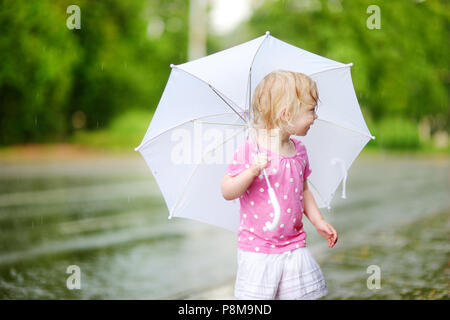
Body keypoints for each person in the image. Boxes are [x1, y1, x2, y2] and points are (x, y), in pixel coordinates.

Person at [221, 70, 338, 300]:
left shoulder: (299, 151)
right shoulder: (250, 150)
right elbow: (227, 190)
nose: (315, 117)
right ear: (286, 115)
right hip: (258, 250)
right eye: (310, 110)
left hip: (293, 246)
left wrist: (318, 220)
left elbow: (303, 190)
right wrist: (252, 171)